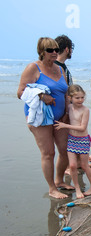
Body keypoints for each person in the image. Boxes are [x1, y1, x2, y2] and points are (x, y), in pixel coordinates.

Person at [17, 37, 73, 199]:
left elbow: (65, 92)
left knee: (64, 150)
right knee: (48, 152)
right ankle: (52, 188)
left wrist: (67, 114)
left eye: (56, 49)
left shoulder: (59, 68)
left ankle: (59, 181)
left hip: (61, 118)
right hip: (41, 119)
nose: (54, 52)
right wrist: (42, 95)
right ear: (42, 52)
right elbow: (20, 92)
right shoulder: (33, 68)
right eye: (50, 50)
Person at [54, 85, 91, 199]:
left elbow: (82, 127)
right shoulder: (69, 107)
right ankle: (77, 188)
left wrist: (64, 126)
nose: (80, 100)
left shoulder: (85, 110)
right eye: (77, 98)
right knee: (72, 166)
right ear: (70, 98)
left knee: (84, 165)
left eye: (82, 97)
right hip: (72, 140)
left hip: (82, 140)